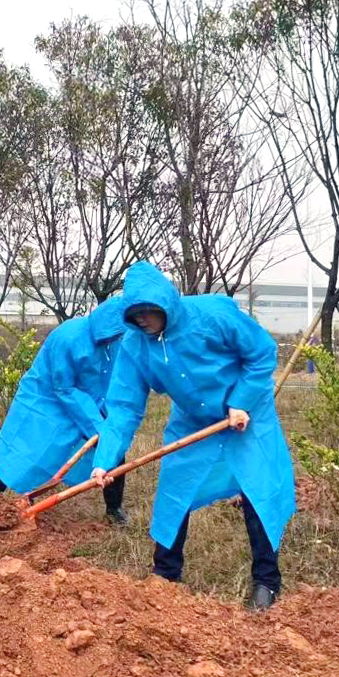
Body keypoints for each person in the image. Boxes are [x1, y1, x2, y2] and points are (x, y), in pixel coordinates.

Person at [90, 262, 295, 611]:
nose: (141, 320)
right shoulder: (135, 346)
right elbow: (123, 406)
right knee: (175, 489)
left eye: (147, 312)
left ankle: (266, 581)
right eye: (134, 314)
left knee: (256, 488)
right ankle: (165, 576)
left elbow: (261, 353)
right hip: (191, 420)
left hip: (245, 413)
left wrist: (241, 401)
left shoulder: (213, 315)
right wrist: (105, 460)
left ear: (165, 304)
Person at [0, 297, 129, 523]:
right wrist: (96, 425)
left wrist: (110, 420)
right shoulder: (69, 337)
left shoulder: (120, 339)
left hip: (90, 401)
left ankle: (114, 508)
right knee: (22, 451)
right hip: (45, 400)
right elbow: (63, 387)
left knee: (114, 448)